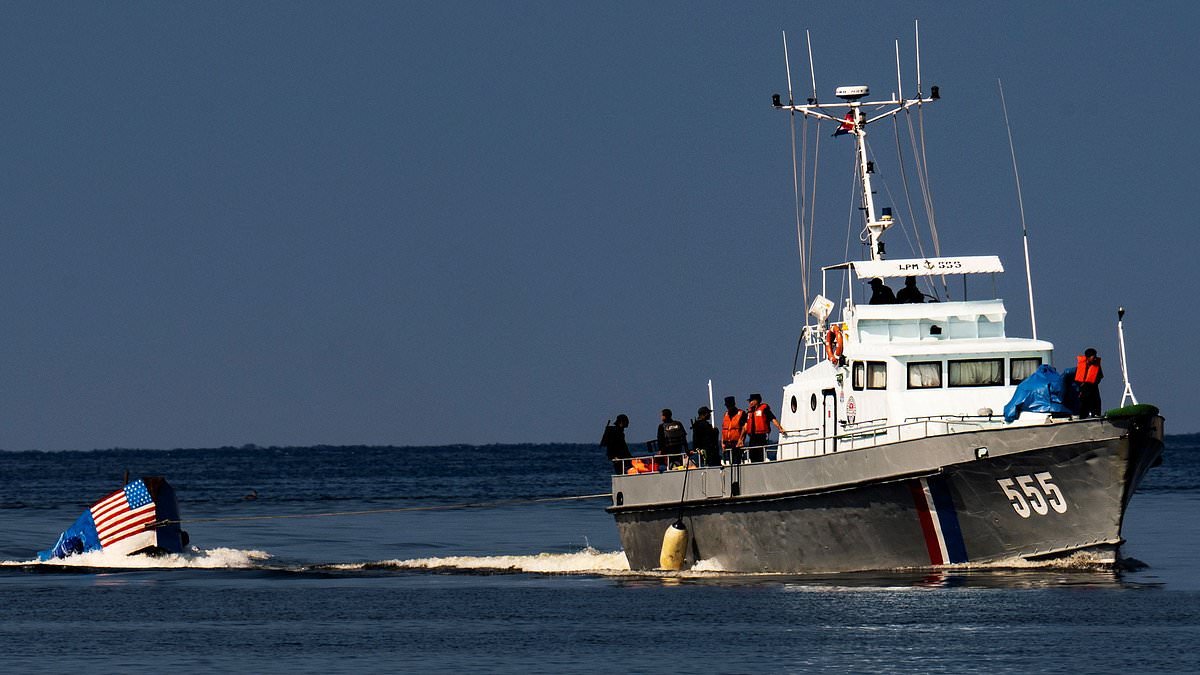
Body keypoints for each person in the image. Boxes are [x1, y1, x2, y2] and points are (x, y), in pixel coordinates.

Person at [743, 394, 784, 463]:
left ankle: (760, 464)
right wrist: (741, 439)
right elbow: (745, 426)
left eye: (751, 401)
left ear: (757, 401)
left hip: (761, 436)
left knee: (760, 453)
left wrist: (780, 428)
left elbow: (773, 419)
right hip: (752, 437)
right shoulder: (749, 412)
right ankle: (754, 465)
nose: (750, 403)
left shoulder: (764, 410)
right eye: (749, 401)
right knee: (751, 454)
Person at [1075, 348, 1104, 417]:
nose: (1095, 358)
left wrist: (1095, 382)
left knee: (1096, 402)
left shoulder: (1097, 366)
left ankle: (1096, 416)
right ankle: (1083, 418)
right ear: (1088, 357)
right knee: (1084, 404)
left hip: (1093, 387)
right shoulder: (1081, 365)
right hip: (1084, 388)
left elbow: (1100, 376)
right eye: (1093, 357)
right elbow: (1078, 377)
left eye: (1095, 356)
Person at [720, 396, 746, 465]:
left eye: (729, 405)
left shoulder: (741, 414)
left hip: (736, 443)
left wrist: (741, 440)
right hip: (727, 443)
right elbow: (724, 429)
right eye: (727, 405)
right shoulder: (725, 414)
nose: (728, 407)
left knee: (736, 462)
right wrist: (722, 442)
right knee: (730, 461)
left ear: (733, 404)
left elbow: (744, 428)